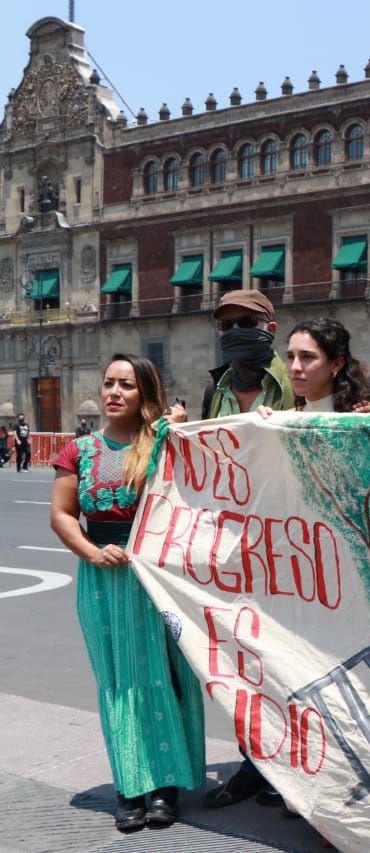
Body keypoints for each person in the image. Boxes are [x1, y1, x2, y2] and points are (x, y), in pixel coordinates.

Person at [49, 355, 205, 832]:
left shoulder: (164, 444)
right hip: (101, 580)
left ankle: (166, 786)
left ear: (145, 396)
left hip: (155, 577)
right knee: (117, 680)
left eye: (127, 385)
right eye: (110, 383)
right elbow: (62, 515)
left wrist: (172, 426)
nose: (114, 392)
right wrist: (91, 553)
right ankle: (130, 785)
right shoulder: (78, 450)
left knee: (162, 675)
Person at [200, 287, 292, 810]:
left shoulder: (295, 380)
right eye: (225, 324)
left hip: (292, 551)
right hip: (235, 553)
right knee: (242, 665)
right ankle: (253, 762)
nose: (233, 332)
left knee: (289, 664)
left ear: (269, 327)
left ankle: (289, 764)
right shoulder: (216, 390)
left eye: (244, 322)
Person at [200, 290, 294, 420]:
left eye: (247, 322)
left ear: (271, 329)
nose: (236, 329)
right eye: (226, 324)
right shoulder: (214, 390)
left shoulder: (295, 383)